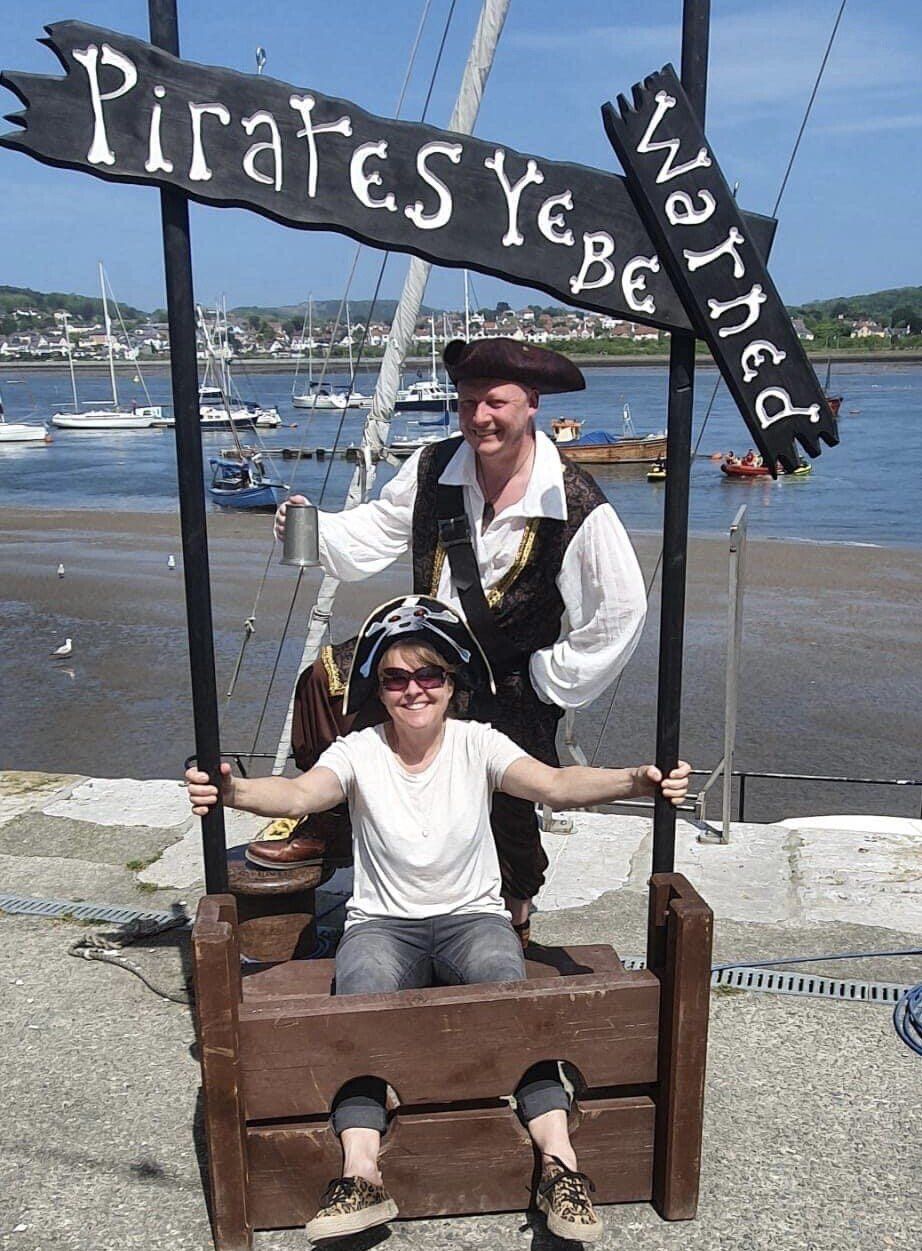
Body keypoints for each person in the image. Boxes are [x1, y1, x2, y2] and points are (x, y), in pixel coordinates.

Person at [186, 596, 690, 1243]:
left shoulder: (478, 743)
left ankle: (560, 1166)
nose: (414, 689)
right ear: (379, 688)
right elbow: (300, 792)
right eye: (396, 677)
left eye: (429, 674)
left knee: (509, 995)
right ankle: (361, 1172)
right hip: (381, 924)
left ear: (452, 683)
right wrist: (233, 791)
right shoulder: (359, 751)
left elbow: (554, 785)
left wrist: (636, 781)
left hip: (470, 917)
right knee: (360, 1006)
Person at [251, 338, 648, 948]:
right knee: (326, 681)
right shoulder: (433, 466)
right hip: (429, 654)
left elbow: (619, 610)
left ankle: (514, 914)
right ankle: (330, 820)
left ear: (532, 403)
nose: (479, 417)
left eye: (495, 402)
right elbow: (380, 527)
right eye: (466, 403)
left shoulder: (573, 501)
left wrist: (549, 678)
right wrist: (317, 528)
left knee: (509, 803)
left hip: (511, 675)